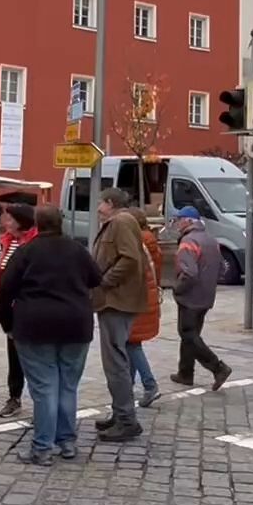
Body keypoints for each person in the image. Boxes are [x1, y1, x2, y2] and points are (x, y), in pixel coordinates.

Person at [0, 205, 99, 465]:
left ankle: (42, 446)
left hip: (35, 325)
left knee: (44, 388)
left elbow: (4, 291)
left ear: (37, 224)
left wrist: (7, 323)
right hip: (76, 324)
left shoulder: (26, 252)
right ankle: (66, 441)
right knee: (68, 386)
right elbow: (96, 278)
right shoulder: (77, 250)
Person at [89, 188, 150, 442]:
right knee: (116, 361)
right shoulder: (119, 222)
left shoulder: (122, 222)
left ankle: (126, 420)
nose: (98, 208)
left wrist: (105, 281)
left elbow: (130, 259)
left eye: (101, 202)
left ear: (110, 203)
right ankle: (120, 413)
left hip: (117, 301)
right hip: (113, 301)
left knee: (115, 363)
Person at [169, 207, 232, 389]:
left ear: (188, 221)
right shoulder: (211, 240)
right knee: (191, 334)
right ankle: (185, 373)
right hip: (206, 295)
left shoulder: (188, 241)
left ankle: (218, 367)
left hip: (190, 296)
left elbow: (189, 272)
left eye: (179, 219)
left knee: (188, 334)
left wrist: (178, 288)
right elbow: (222, 268)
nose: (178, 223)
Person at [0, 202, 38, 418]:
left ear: (21, 221)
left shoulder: (33, 243)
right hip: (9, 307)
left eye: (10, 219)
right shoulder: (8, 241)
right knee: (14, 354)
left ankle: (41, 403)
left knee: (34, 357)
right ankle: (14, 396)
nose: (6, 222)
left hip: (28, 307)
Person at [126, 215, 165, 408]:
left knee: (132, 343)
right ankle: (129, 385)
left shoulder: (137, 242)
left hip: (138, 299)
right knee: (133, 342)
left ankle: (149, 384)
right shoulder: (150, 241)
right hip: (148, 297)